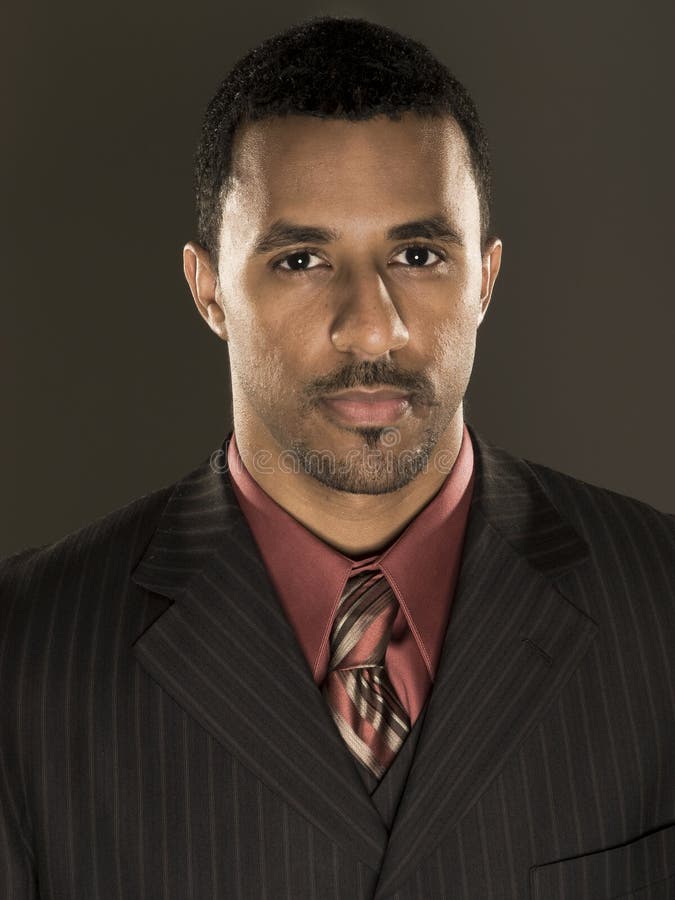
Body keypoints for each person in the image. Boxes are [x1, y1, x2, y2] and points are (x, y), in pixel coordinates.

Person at [1, 15, 673, 900]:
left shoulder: (660, 605)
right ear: (208, 290)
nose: (371, 326)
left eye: (419, 253)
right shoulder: (24, 652)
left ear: (484, 280)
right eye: (303, 259)